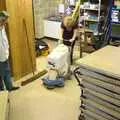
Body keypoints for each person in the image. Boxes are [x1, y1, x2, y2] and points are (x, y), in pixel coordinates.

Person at [0, 11, 19, 91]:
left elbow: (4, 40)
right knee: (1, 75)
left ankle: (9, 87)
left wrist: (7, 49)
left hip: (5, 54)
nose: (5, 23)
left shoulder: (2, 27)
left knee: (7, 71)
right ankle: (2, 92)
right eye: (4, 22)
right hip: (0, 56)